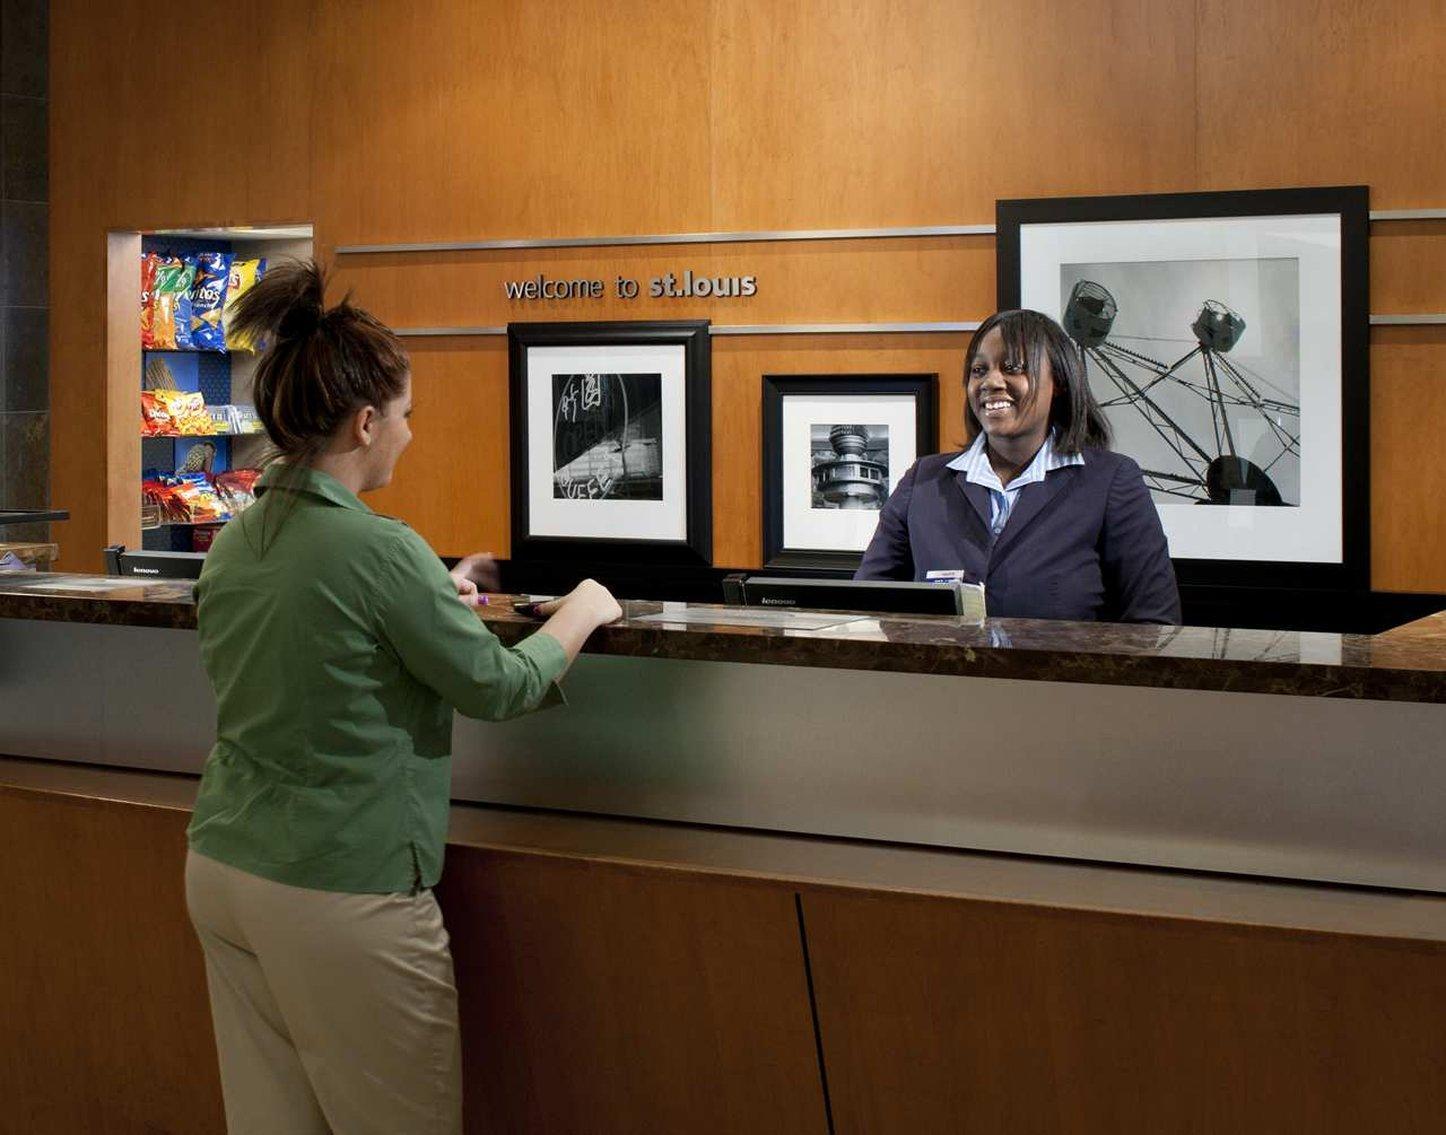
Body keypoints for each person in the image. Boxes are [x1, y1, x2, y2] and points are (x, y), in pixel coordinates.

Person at [183, 260, 622, 1134]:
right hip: (342, 891)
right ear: (367, 419)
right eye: (408, 416)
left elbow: (327, 640)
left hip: (226, 871)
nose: (411, 436)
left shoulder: (234, 541)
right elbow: (502, 684)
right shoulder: (379, 549)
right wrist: (584, 608)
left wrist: (432, 595)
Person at [856, 308, 1181, 624]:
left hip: (1061, 680)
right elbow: (863, 607)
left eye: (1013, 367)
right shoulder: (923, 480)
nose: (991, 382)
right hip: (939, 678)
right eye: (979, 370)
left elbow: (1153, 624)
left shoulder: (1111, 481)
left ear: (1060, 381)